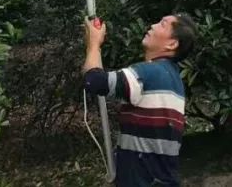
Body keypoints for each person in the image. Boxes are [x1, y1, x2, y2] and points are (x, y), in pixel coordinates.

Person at [83, 13, 197, 186]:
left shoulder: (151, 73)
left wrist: (92, 45)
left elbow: (95, 81)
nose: (153, 25)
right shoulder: (170, 76)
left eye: (162, 24)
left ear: (172, 44)